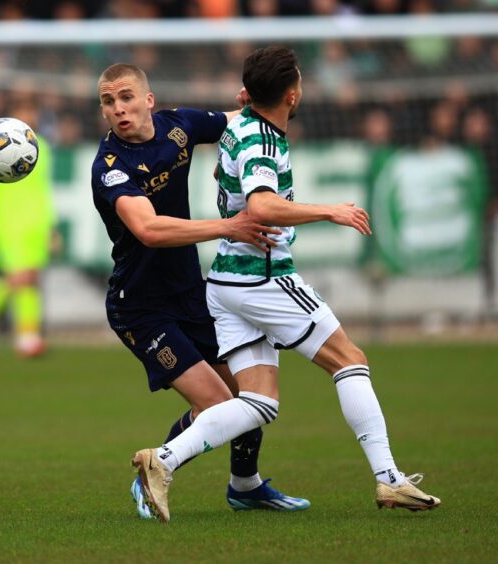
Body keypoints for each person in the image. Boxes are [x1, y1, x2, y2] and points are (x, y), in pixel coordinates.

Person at [132, 46, 441, 522]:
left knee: (257, 402)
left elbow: (232, 160)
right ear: (293, 93)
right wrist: (330, 210)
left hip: (227, 282)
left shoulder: (242, 125)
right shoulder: (263, 141)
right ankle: (388, 477)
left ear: (250, 93)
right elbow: (260, 206)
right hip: (265, 277)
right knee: (349, 360)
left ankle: (163, 459)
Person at [90, 63, 309, 522]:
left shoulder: (179, 126)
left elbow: (235, 118)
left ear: (149, 100)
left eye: (126, 96)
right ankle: (152, 472)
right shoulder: (109, 168)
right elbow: (148, 229)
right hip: (141, 309)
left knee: (251, 395)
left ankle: (245, 486)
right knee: (217, 403)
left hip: (192, 294)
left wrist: (255, 103)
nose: (118, 108)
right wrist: (230, 226)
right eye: (108, 102)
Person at [0, 105, 56, 357]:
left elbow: (42, 191)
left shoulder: (43, 150)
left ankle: (27, 336)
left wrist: (50, 226)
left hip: (36, 224)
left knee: (31, 280)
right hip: (8, 223)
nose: (30, 118)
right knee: (22, 276)